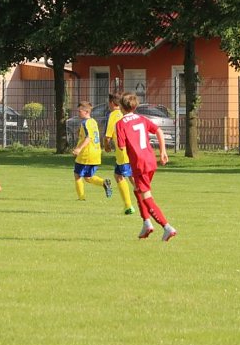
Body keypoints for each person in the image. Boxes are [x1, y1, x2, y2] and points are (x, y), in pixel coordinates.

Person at [114, 93, 176, 241]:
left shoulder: (120, 123)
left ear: (121, 107)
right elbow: (159, 131)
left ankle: (167, 227)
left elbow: (121, 147)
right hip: (150, 160)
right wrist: (162, 152)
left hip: (139, 164)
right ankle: (146, 223)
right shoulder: (142, 119)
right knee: (138, 191)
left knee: (146, 196)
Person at [71, 101, 112, 201]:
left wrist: (78, 149)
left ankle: (81, 198)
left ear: (86, 111)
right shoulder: (93, 121)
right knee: (88, 177)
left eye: (79, 111)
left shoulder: (85, 123)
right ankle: (104, 182)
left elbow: (88, 137)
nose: (78, 113)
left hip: (86, 153)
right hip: (96, 153)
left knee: (77, 175)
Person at [103, 93, 135, 214]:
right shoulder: (126, 114)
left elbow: (107, 136)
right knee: (119, 175)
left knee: (127, 177)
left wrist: (106, 146)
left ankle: (130, 205)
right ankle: (141, 200)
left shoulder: (114, 115)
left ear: (111, 103)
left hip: (123, 152)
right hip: (131, 150)